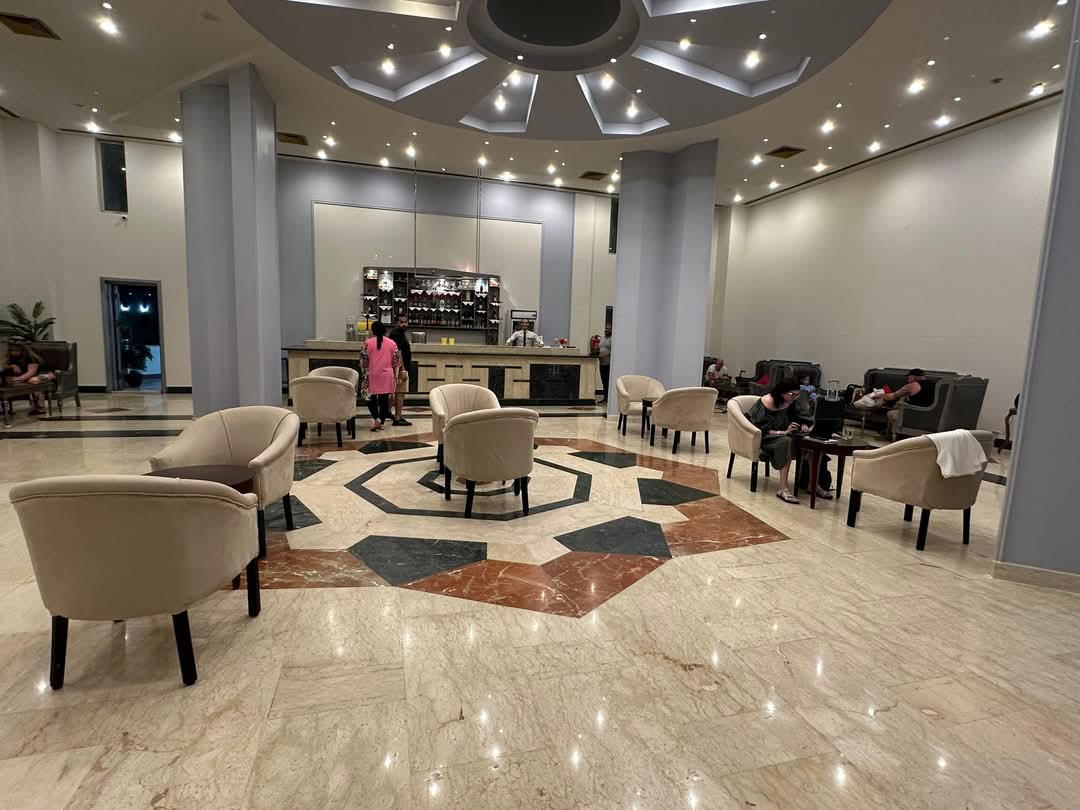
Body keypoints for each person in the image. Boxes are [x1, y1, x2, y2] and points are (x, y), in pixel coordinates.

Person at [744, 378, 831, 504]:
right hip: (767, 438)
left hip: (788, 434)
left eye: (797, 395)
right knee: (786, 442)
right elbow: (759, 429)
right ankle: (783, 488)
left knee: (813, 443)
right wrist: (782, 432)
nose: (794, 397)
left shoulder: (791, 401)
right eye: (791, 394)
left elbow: (799, 416)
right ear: (781, 392)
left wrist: (803, 424)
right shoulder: (767, 402)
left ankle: (812, 485)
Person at [854, 368, 926, 436]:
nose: (907, 379)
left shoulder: (911, 385)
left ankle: (891, 434)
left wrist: (880, 395)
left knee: (890, 413)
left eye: (909, 377)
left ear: (913, 377)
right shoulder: (929, 384)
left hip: (911, 411)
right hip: (924, 414)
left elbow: (893, 396)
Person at [360, 321, 401, 431]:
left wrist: (364, 372)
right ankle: (381, 421)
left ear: (372, 331)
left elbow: (363, 362)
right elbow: (396, 362)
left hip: (371, 374)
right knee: (384, 400)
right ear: (384, 330)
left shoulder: (367, 343)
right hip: (387, 375)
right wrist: (396, 376)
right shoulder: (392, 343)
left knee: (370, 398)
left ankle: (376, 418)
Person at [3, 343, 54, 416]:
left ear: (22, 350)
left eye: (16, 350)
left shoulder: (30, 357)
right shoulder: (11, 357)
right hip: (29, 377)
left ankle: (41, 407)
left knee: (33, 380)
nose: (13, 352)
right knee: (21, 380)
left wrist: (18, 379)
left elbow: (31, 372)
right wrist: (12, 366)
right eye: (11, 350)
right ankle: (36, 406)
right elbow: (4, 366)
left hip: (42, 373)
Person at [388, 314, 412, 427]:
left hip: (396, 368)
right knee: (400, 393)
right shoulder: (397, 334)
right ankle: (398, 418)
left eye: (405, 322)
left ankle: (387, 413)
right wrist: (403, 369)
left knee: (393, 392)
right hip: (399, 368)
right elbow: (398, 353)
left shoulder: (399, 333)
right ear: (397, 323)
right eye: (401, 322)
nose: (404, 324)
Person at [598, 326, 612, 403]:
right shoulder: (603, 338)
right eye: (606, 329)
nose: (607, 330)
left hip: (608, 364)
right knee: (603, 381)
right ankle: (605, 397)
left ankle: (608, 398)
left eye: (609, 329)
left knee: (607, 382)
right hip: (602, 363)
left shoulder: (612, 339)